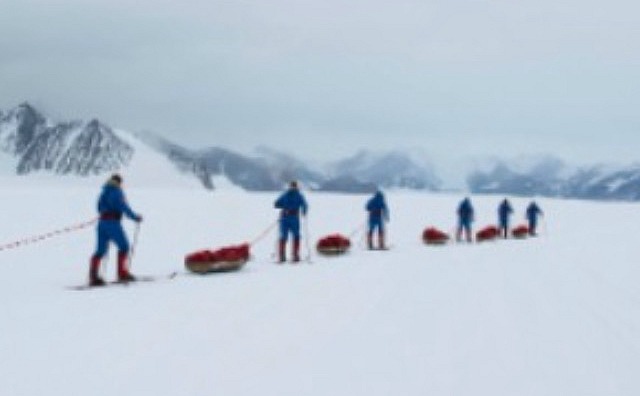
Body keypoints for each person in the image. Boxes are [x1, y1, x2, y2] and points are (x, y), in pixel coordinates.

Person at [88, 174, 143, 286]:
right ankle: (122, 274)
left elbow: (98, 208)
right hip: (113, 224)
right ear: (118, 182)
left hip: (101, 223)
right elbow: (124, 207)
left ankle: (93, 277)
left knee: (100, 250)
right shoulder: (117, 192)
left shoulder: (104, 192)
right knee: (124, 246)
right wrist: (135, 217)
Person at [274, 180, 308, 263]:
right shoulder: (285, 195)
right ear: (290, 186)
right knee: (283, 236)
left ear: (297, 187)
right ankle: (282, 256)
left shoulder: (299, 196)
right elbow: (276, 203)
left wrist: (304, 211)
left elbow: (304, 204)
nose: (293, 187)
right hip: (284, 218)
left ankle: (295, 255)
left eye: (294, 186)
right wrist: (281, 206)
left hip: (294, 218)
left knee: (296, 235)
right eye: (292, 186)